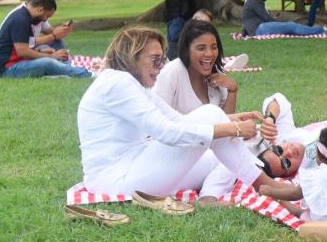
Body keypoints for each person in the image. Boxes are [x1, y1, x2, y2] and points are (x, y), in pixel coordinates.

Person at [76, 26, 278, 199]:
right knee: (210, 114)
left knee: (222, 156)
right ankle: (267, 186)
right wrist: (232, 128)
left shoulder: (135, 85)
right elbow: (168, 133)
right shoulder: (117, 83)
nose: (160, 67)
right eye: (155, 59)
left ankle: (210, 197)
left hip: (136, 168)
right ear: (132, 57)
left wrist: (228, 121)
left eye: (162, 59)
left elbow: (178, 120)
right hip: (116, 182)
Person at [259, 126, 327, 231]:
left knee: (300, 212)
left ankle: (282, 202)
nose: (288, 153)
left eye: (279, 150)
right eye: (285, 163)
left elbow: (294, 195)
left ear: (317, 155)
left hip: (322, 223)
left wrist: (270, 191)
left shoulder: (314, 176)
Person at [0, 0, 91, 78]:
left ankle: (63, 68)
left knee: (56, 45)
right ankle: (85, 74)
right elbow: (23, 51)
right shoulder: (20, 20)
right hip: (9, 70)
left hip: (22, 61)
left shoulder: (29, 15)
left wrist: (42, 52)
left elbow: (29, 43)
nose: (46, 19)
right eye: (47, 16)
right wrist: (51, 57)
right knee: (47, 63)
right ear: (40, 10)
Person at [242, 0, 327, 37]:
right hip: (260, 29)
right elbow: (267, 18)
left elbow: (248, 20)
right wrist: (281, 23)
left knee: (290, 29)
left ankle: (316, 30)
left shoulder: (253, 0)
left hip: (259, 29)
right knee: (290, 25)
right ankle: (323, 30)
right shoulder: (253, 1)